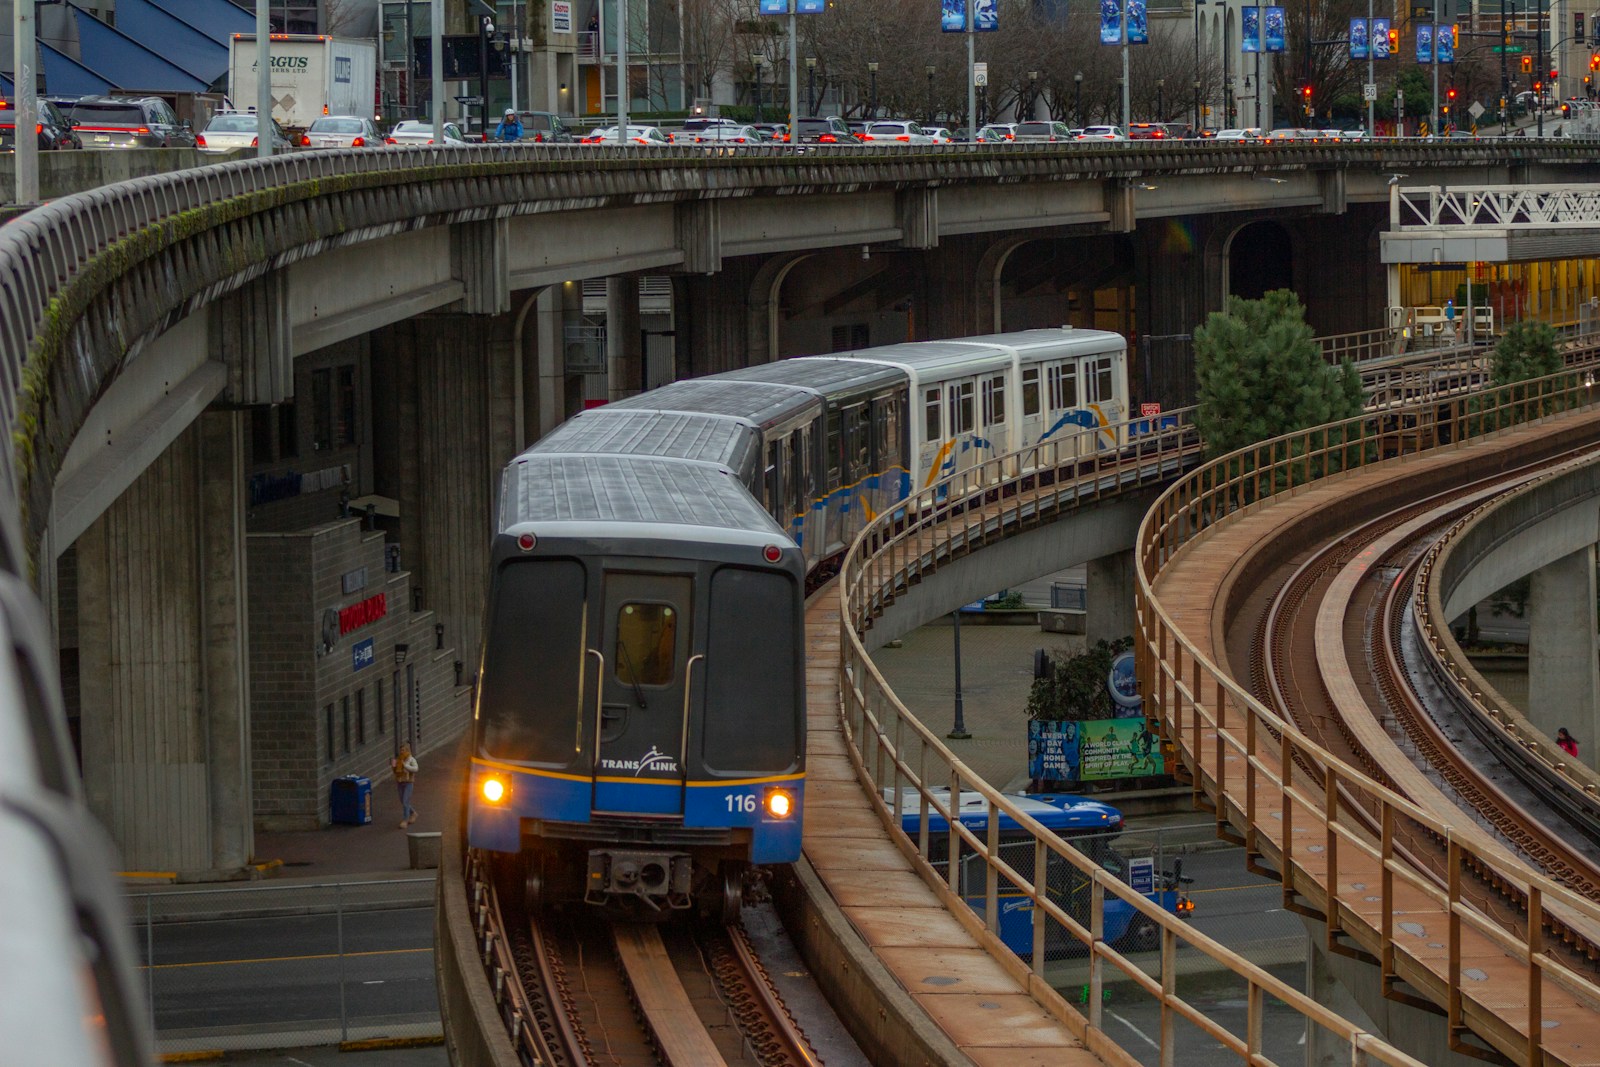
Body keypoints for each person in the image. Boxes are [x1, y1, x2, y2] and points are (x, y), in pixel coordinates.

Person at [393, 743, 419, 827]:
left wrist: (406, 766)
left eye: (403, 750)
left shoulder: (411, 759)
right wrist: (394, 765)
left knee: (405, 801)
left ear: (407, 750)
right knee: (403, 801)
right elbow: (395, 771)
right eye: (400, 750)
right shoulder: (399, 759)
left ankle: (405, 820)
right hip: (400, 782)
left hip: (408, 783)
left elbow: (415, 769)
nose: (401, 752)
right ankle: (413, 813)